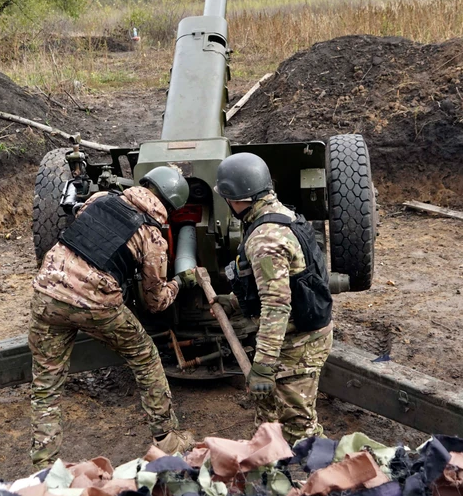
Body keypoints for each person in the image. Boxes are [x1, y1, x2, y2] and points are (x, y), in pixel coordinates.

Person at [28, 166, 196, 468]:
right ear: (170, 206)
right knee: (145, 357)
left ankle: (42, 463)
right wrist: (180, 283)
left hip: (47, 292)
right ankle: (167, 439)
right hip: (96, 305)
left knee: (46, 385)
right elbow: (155, 301)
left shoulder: (100, 199)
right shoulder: (152, 236)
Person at [215, 152, 333, 444]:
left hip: (297, 344)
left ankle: (315, 480)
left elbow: (276, 305)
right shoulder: (279, 213)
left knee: (298, 428)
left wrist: (264, 367)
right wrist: (233, 301)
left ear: (236, 196)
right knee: (267, 420)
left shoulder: (266, 240)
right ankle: (271, 466)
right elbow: (278, 283)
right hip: (289, 334)